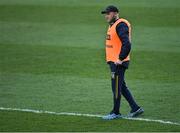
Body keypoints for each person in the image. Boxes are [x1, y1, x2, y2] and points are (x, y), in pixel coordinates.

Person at [101, 5, 144, 120]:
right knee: (121, 86)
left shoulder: (120, 25)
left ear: (115, 13)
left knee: (115, 88)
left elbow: (127, 44)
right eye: (105, 14)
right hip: (115, 62)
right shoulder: (113, 25)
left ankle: (115, 112)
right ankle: (135, 108)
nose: (106, 16)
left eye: (108, 13)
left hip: (118, 63)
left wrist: (120, 59)